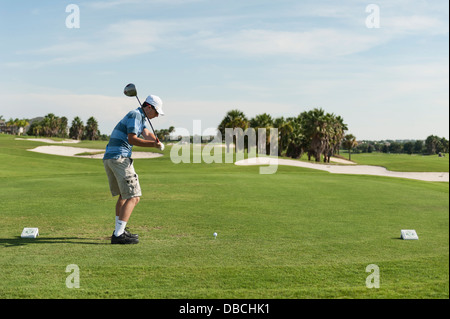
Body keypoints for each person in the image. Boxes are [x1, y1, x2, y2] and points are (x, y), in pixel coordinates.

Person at [103, 94, 164, 244]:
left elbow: (146, 133)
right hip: (120, 158)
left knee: (124, 196)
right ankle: (118, 235)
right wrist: (153, 146)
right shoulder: (136, 115)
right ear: (148, 107)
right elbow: (132, 139)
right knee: (134, 197)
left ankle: (120, 230)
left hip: (110, 158)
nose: (156, 116)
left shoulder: (139, 117)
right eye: (156, 112)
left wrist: (156, 140)